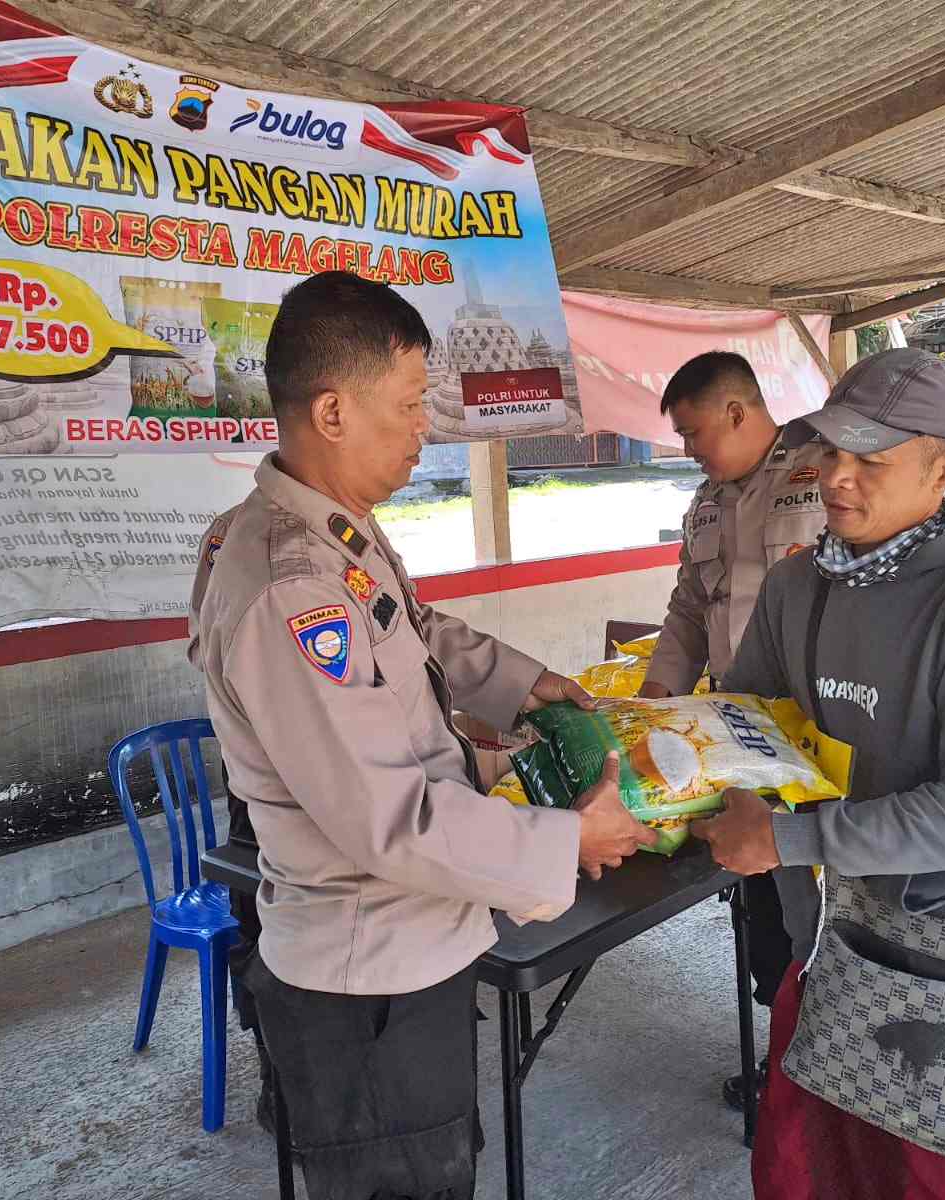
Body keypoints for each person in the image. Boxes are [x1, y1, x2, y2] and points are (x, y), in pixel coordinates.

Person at [188, 270, 655, 1200]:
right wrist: (573, 839)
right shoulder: (291, 588)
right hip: (371, 979)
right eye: (406, 406)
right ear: (331, 411)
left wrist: (527, 687)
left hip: (408, 950)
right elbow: (389, 819)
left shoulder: (329, 536)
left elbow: (418, 629)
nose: (422, 430)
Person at [690, 347, 945, 1200]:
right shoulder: (799, 587)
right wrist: (674, 778)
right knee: (816, 1173)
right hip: (823, 946)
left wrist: (790, 837)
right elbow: (747, 721)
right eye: (828, 452)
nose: (836, 478)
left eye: (872, 460)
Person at [637, 351, 825, 1110]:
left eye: (692, 431)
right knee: (762, 908)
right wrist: (656, 699)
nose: (688, 448)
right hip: (735, 739)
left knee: (823, 905)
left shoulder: (825, 478)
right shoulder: (707, 504)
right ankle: (784, 1063)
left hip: (818, 739)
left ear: (739, 412)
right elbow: (688, 608)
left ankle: (828, 1072)